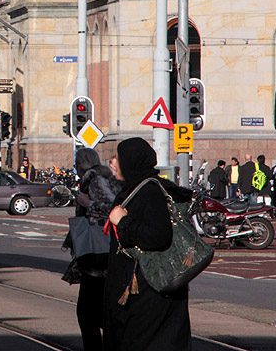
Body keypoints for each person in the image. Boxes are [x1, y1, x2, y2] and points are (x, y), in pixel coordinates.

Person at [104, 137, 192, 350]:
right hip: (141, 293)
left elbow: (157, 236)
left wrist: (122, 221)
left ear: (131, 162)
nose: (113, 162)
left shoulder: (149, 193)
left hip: (149, 294)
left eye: (118, 158)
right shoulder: (134, 190)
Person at [69, 148, 120, 351]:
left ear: (82, 163)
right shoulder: (101, 176)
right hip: (100, 252)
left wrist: (88, 204)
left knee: (88, 313)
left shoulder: (95, 177)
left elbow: (111, 207)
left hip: (97, 254)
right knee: (96, 312)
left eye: (77, 161)